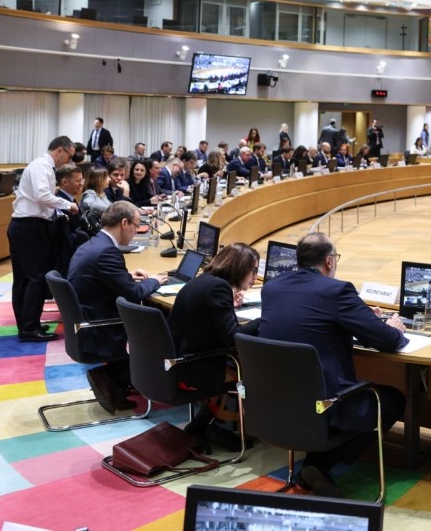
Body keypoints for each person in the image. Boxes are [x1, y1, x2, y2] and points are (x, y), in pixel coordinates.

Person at [252, 232, 407, 497]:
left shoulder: (272, 288)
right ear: (328, 261)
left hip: (276, 402)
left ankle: (315, 466)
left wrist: (360, 316)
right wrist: (393, 327)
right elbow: (388, 341)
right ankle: (319, 465)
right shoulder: (337, 290)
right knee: (392, 400)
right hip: (325, 406)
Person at [67, 201, 169, 411]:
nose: (136, 231)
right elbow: (134, 293)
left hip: (86, 320)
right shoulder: (107, 252)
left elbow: (100, 278)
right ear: (124, 223)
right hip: (99, 328)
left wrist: (126, 276)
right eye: (136, 225)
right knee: (161, 331)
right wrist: (155, 281)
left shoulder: (94, 243)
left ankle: (113, 377)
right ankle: (110, 376)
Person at [168, 242, 260, 450]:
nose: (254, 276)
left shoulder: (204, 281)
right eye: (253, 270)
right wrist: (262, 319)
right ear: (241, 268)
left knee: (233, 362)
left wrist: (229, 305)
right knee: (247, 369)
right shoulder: (219, 288)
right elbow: (233, 338)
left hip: (179, 361)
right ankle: (221, 429)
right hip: (192, 367)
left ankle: (202, 423)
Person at [8, 136, 80, 342]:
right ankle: (29, 328)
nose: (68, 161)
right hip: (29, 227)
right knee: (36, 278)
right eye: (69, 156)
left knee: (24, 279)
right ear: (60, 150)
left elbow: (41, 200)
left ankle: (27, 324)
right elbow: (42, 197)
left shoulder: (42, 166)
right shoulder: (42, 166)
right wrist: (68, 205)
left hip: (23, 226)